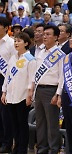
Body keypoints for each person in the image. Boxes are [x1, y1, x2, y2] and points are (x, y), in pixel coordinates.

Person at [28, 25, 64, 153]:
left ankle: (54, 148)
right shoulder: (40, 52)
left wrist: (58, 94)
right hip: (38, 89)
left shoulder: (60, 54)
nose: (45, 36)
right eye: (44, 34)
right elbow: (34, 73)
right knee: (40, 122)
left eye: (48, 34)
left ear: (56, 37)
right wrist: (31, 90)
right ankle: (42, 148)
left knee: (52, 122)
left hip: (51, 90)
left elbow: (62, 77)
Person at [1, 32, 36, 154]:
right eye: (15, 41)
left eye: (19, 41)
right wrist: (4, 92)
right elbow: (7, 76)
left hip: (23, 97)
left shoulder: (30, 59)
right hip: (10, 96)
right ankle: (15, 148)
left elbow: (32, 79)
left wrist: (29, 95)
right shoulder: (12, 58)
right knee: (13, 124)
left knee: (22, 125)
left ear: (26, 43)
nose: (16, 43)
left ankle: (22, 149)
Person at [0, 17, 16, 153]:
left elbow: (14, 64)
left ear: (6, 28)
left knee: (5, 114)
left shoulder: (11, 43)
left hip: (5, 80)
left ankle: (7, 142)